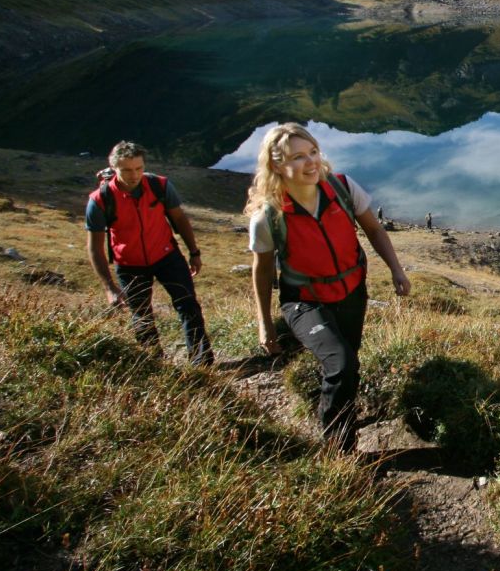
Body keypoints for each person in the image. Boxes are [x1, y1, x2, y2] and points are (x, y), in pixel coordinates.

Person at [245, 123, 411, 451]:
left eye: (313, 153)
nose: (311, 163)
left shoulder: (343, 188)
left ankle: (338, 413)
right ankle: (337, 450)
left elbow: (375, 231)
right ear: (277, 166)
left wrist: (396, 270)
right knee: (342, 364)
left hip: (351, 291)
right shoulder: (268, 217)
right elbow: (262, 272)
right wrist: (265, 322)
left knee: (347, 363)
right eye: (297, 157)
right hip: (304, 301)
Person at [85, 140, 215, 365]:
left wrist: (194, 252)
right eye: (126, 170)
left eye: (139, 168)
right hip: (129, 264)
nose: (134, 175)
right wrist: (109, 287)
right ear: (114, 168)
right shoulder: (100, 200)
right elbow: (94, 247)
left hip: (166, 256)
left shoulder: (159, 186)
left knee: (188, 305)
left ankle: (202, 362)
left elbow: (179, 219)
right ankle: (155, 364)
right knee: (141, 316)